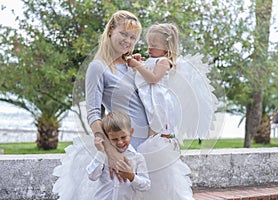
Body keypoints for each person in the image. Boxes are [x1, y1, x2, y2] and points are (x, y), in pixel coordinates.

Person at [53, 10, 150, 200]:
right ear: (110, 31)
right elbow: (93, 113)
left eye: (133, 37)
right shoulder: (98, 67)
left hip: (147, 145)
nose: (128, 41)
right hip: (126, 144)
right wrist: (111, 153)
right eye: (124, 34)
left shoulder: (133, 64)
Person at [127, 23, 195, 200]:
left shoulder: (164, 61)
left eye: (154, 46)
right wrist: (137, 63)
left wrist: (138, 66)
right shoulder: (153, 59)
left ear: (166, 48)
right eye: (148, 44)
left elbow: (153, 78)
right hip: (150, 102)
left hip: (160, 104)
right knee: (151, 138)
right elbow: (143, 73)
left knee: (156, 136)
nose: (149, 48)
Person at [86, 110, 151, 200]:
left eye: (123, 137)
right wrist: (100, 152)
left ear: (131, 132)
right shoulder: (104, 155)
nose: (120, 142)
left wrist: (131, 176)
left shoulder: (137, 158)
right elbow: (92, 176)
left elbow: (146, 185)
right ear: (108, 138)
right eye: (114, 139)